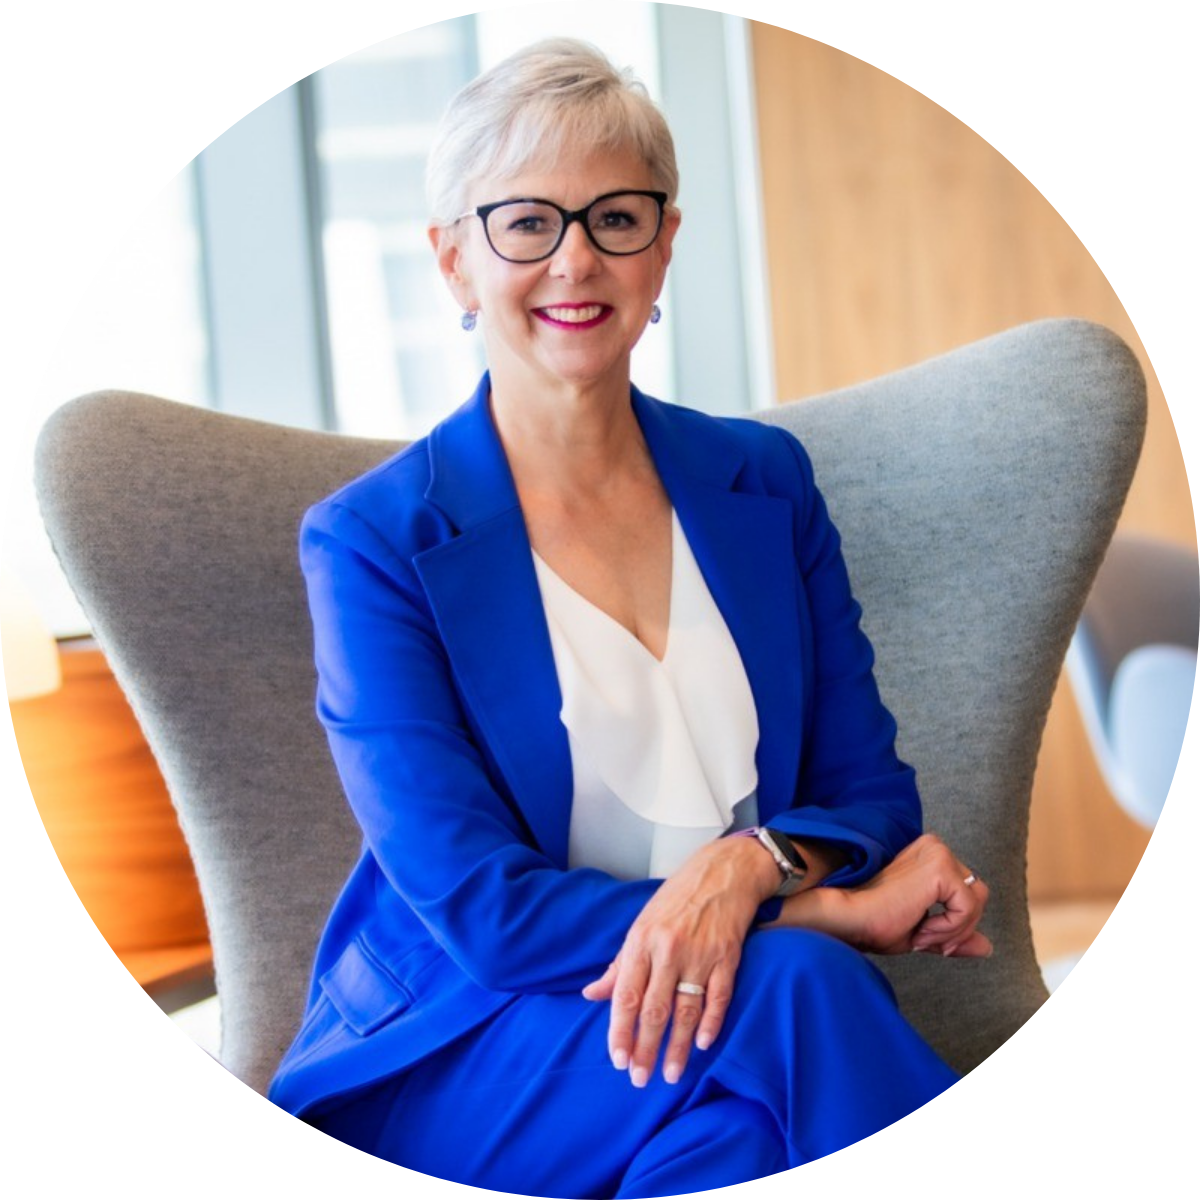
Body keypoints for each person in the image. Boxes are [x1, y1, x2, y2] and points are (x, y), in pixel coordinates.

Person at [268, 37, 989, 1190]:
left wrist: (745, 868)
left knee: (741, 1145)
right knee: (805, 988)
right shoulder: (373, 543)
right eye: (525, 223)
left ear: (664, 245)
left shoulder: (765, 484)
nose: (576, 259)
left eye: (616, 217)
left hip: (708, 1032)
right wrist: (824, 919)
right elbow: (487, 914)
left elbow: (871, 798)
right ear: (454, 261)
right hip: (464, 1043)